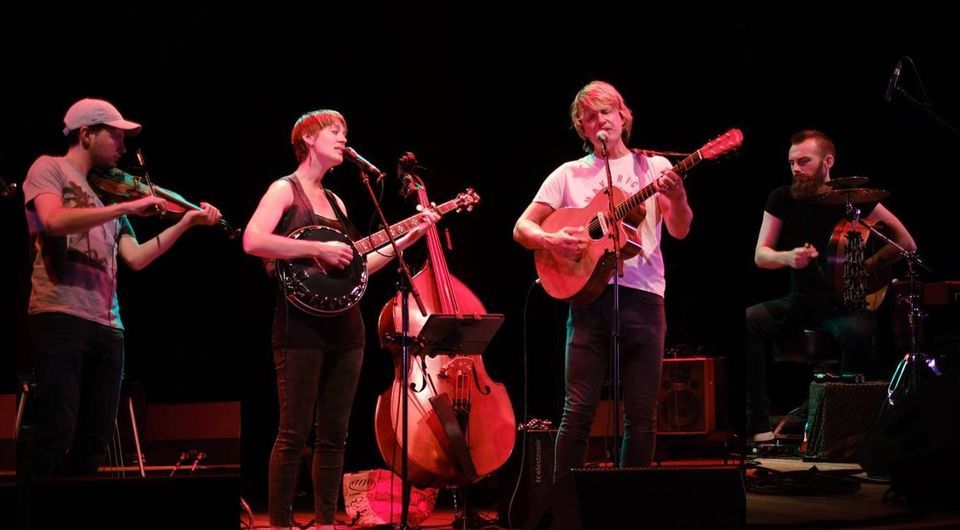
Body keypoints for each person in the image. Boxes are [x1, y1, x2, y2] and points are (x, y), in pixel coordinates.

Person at [242, 109, 439, 530]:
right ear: (309, 138)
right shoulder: (285, 189)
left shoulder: (338, 200)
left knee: (335, 435)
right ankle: (279, 524)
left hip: (347, 328)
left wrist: (408, 238)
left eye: (346, 133)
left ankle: (327, 521)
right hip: (300, 327)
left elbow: (359, 265)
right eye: (336, 132)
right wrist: (318, 252)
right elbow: (253, 240)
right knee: (293, 433)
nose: (344, 140)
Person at [22, 98, 222, 478]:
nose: (122, 148)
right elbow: (52, 221)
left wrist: (185, 224)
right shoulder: (49, 168)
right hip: (60, 315)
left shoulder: (110, 195)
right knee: (56, 431)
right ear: (86, 134)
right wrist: (125, 209)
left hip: (109, 326)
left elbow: (136, 258)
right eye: (115, 137)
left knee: (95, 439)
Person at [513, 81, 693, 478]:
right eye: (590, 117)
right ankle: (564, 505)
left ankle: (630, 506)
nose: (600, 122)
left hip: (645, 296)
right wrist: (552, 240)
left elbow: (680, 230)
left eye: (606, 112)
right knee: (577, 410)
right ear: (583, 128)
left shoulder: (655, 167)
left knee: (642, 414)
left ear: (623, 116)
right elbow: (522, 228)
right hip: (588, 299)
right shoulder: (568, 175)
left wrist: (677, 196)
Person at [745, 129, 916, 442]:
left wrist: (868, 266)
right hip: (801, 300)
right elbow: (761, 255)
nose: (796, 168)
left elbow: (907, 243)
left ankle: (841, 431)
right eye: (791, 163)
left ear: (828, 161)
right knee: (749, 321)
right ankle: (758, 424)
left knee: (859, 333)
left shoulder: (855, 199)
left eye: (804, 161)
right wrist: (788, 258)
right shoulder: (781, 198)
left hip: (845, 305)